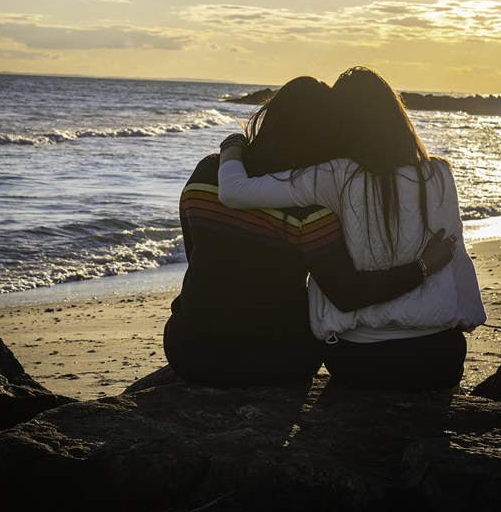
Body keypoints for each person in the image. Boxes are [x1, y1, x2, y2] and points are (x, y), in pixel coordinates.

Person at [164, 76, 457, 387]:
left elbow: (197, 253)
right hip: (277, 361)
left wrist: (232, 144)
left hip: (187, 351)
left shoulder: (207, 173)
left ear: (272, 115)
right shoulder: (311, 202)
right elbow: (347, 292)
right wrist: (422, 267)